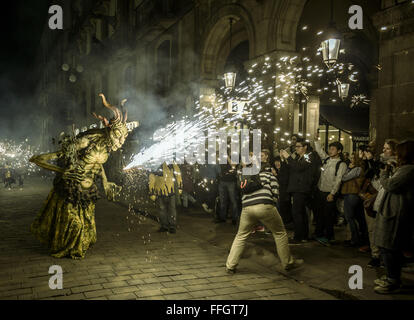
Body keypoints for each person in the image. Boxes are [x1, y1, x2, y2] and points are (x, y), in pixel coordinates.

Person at [30, 94, 130, 259]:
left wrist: (105, 183)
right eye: (119, 135)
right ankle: (66, 247)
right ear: (111, 130)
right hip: (71, 188)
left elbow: (98, 164)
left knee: (84, 226)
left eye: (124, 137)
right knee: (74, 224)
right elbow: (64, 154)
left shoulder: (107, 147)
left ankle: (75, 248)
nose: (121, 140)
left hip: (88, 191)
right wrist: (60, 169)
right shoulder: (87, 141)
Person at [225, 152, 303, 273]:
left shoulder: (245, 178)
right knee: (280, 233)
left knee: (241, 235)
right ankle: (288, 263)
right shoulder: (268, 174)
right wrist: (273, 203)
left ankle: (230, 265)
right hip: (264, 206)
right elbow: (276, 192)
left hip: (247, 209)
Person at [373, 140, 414, 294]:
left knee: (389, 246)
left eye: (397, 152)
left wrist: (384, 173)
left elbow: (391, 185)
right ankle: (391, 276)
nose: (395, 155)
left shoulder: (409, 170)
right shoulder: (403, 169)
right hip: (391, 210)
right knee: (387, 246)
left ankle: (393, 280)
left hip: (396, 212)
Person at [313, 140, 348, 245]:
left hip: (329, 193)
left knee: (328, 216)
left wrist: (332, 193)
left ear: (339, 151)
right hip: (320, 190)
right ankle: (318, 234)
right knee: (319, 214)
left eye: (333, 149)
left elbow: (338, 180)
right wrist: (316, 140)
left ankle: (329, 236)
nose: (330, 151)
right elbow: (320, 151)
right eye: (330, 148)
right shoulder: (327, 159)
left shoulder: (341, 164)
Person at [280, 139, 313, 243]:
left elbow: (299, 168)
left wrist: (288, 157)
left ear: (305, 147)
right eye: (296, 146)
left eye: (299, 146)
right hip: (296, 188)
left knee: (297, 212)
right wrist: (284, 159)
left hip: (301, 189)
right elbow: (292, 167)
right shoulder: (298, 157)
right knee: (300, 212)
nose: (296, 148)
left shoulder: (308, 156)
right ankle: (303, 236)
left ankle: (299, 236)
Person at [341, 153, 367, 247]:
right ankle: (358, 237)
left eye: (353, 158)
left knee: (349, 217)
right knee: (355, 217)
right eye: (351, 158)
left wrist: (348, 168)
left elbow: (344, 177)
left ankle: (355, 239)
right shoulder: (359, 168)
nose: (351, 160)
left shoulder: (357, 169)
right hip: (351, 194)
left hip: (352, 194)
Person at [149, 162, 183, 233]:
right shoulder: (156, 164)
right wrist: (152, 191)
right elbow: (151, 178)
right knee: (162, 209)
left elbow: (178, 174)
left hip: (171, 190)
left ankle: (172, 226)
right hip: (159, 191)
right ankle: (164, 225)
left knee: (172, 209)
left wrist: (180, 186)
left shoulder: (172, 163)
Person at [216, 157, 239, 225]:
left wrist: (227, 157)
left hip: (231, 182)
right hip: (222, 181)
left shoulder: (234, 155)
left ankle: (234, 219)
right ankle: (222, 218)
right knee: (222, 200)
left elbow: (233, 165)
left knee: (233, 200)